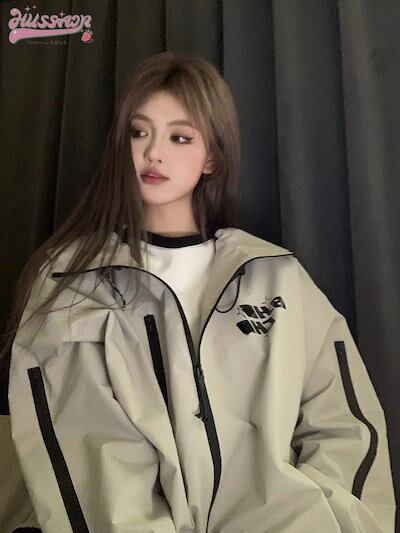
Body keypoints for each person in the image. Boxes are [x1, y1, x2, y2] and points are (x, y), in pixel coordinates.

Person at [1, 51, 396, 532]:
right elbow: (84, 448)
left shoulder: (277, 276)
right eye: (139, 132)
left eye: (179, 137)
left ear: (212, 157)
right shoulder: (72, 281)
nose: (153, 153)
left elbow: (344, 423)